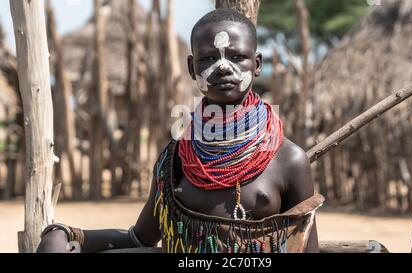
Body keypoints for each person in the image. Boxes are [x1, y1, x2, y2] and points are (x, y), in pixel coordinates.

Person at [37, 8, 324, 254]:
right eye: (208, 59)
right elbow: (140, 238)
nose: (223, 67)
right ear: (191, 67)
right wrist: (67, 234)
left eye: (236, 57)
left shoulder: (288, 161)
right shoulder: (176, 158)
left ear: (257, 64)